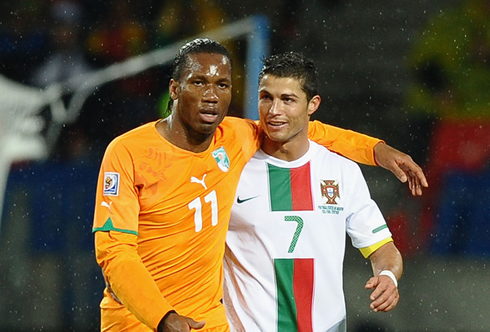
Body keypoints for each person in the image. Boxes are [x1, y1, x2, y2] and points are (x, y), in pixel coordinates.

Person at [92, 38, 424, 332]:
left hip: (208, 321)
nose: (211, 96)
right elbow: (115, 253)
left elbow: (307, 130)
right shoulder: (129, 152)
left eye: (222, 85)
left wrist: (376, 150)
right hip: (137, 321)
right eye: (199, 82)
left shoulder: (233, 139)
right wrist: (162, 316)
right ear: (175, 88)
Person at [223, 52, 402, 331]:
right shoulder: (231, 170)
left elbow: (382, 247)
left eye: (288, 99)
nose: (273, 110)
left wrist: (388, 275)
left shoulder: (342, 172)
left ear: (312, 104)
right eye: (266, 97)